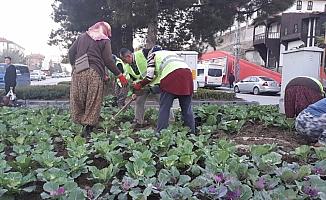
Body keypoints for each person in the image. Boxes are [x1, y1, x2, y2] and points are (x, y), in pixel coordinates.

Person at [68, 21, 128, 134]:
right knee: (93, 99)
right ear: (105, 31)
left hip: (78, 71)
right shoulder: (104, 40)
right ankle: (88, 127)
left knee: (78, 98)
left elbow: (71, 52)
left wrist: (73, 65)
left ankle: (78, 123)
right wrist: (119, 75)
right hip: (94, 73)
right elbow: (108, 60)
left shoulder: (82, 36)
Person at [133, 47, 195, 134]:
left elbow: (150, 76)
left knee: (165, 108)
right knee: (186, 109)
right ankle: (191, 134)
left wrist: (140, 84)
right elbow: (159, 78)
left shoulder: (153, 55)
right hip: (187, 76)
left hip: (172, 76)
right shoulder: (172, 54)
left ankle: (160, 133)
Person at [119, 47, 152, 127]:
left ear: (128, 56)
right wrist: (134, 92)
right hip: (143, 85)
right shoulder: (128, 67)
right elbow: (134, 80)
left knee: (163, 101)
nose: (125, 63)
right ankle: (139, 121)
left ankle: (170, 121)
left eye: (124, 60)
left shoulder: (143, 53)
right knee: (139, 101)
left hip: (155, 82)